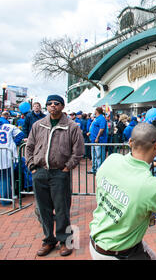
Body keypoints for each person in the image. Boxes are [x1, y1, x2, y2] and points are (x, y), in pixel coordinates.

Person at [89, 122, 156, 260]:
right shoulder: (151, 185)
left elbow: (132, 169)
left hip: (96, 240)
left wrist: (152, 163)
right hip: (119, 253)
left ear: (130, 141)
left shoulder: (112, 159)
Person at [25, 94, 84, 257]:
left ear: (62, 106)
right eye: (49, 103)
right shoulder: (38, 125)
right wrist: (32, 166)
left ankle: (65, 241)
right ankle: (49, 240)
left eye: (56, 103)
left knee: (62, 209)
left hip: (60, 173)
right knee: (43, 210)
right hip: (40, 172)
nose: (52, 106)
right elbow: (29, 146)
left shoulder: (71, 126)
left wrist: (67, 168)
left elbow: (78, 151)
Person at [0, 121, 25, 206]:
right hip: (6, 156)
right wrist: (14, 143)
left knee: (4, 178)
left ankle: (5, 198)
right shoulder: (9, 126)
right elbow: (21, 134)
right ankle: (5, 200)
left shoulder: (8, 126)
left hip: (5, 154)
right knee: (5, 178)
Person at [87, 107, 108, 174]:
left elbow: (102, 129)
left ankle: (99, 170)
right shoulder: (97, 118)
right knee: (94, 156)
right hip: (93, 140)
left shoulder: (102, 118)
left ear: (97, 111)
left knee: (99, 156)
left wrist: (97, 137)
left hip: (99, 141)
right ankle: (94, 169)